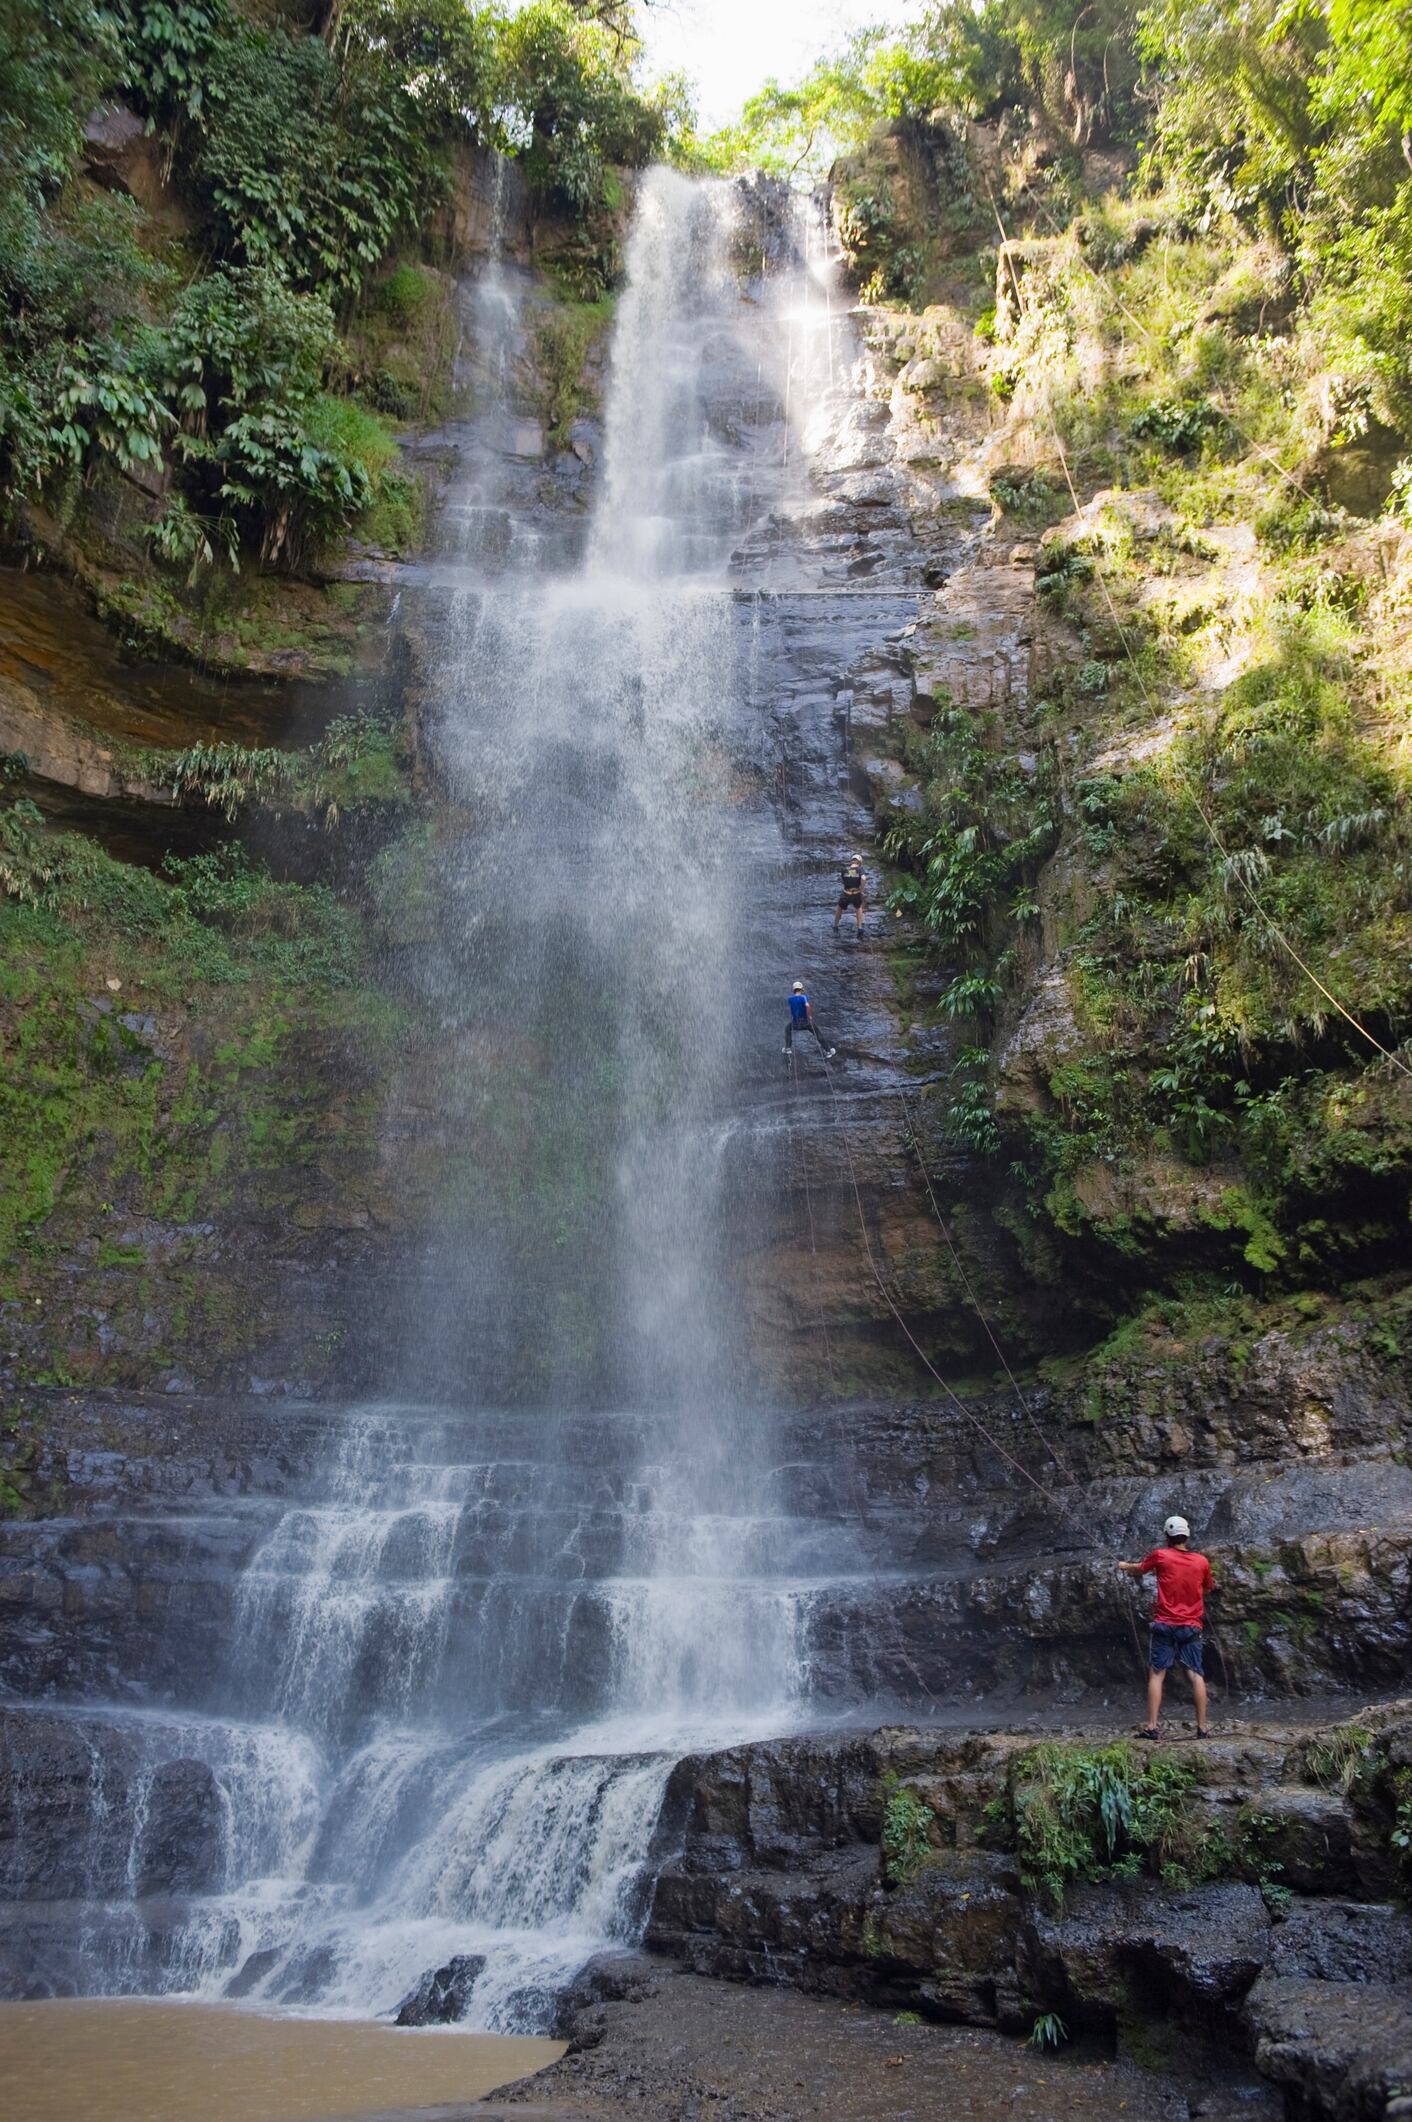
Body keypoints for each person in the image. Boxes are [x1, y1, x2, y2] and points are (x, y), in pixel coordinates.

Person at [1118, 1515, 1214, 1739]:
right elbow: (1208, 1587)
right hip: (1190, 1626)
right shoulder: (1202, 1561)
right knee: (1196, 1674)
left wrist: (1124, 1566)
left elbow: (1140, 1569)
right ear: (1187, 1536)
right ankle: (1202, 1728)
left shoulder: (1160, 1555)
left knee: (1157, 1674)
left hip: (1165, 1625)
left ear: (1166, 1536)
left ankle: (1152, 1727)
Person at [784, 981, 835, 1062]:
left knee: (787, 1028)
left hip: (795, 1024)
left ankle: (788, 1048)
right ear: (801, 989)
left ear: (794, 990)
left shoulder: (790, 999)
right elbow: (807, 1006)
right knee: (817, 1033)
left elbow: (794, 1008)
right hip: (806, 1023)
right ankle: (828, 1051)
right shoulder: (804, 997)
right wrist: (810, 1016)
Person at [834, 853, 866, 935]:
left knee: (839, 907)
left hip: (846, 893)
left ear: (851, 861)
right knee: (858, 908)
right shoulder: (860, 869)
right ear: (859, 862)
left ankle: (836, 925)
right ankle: (859, 927)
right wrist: (862, 890)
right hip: (856, 893)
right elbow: (863, 878)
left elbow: (843, 880)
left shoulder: (844, 870)